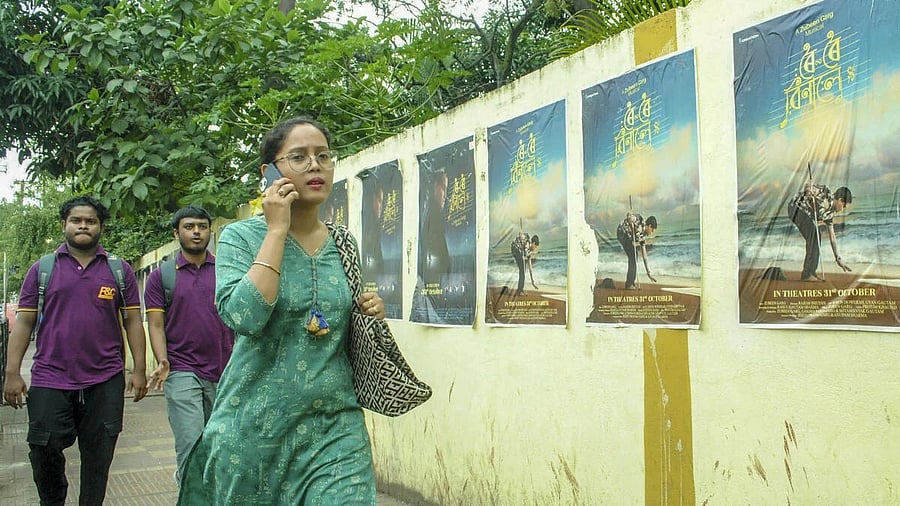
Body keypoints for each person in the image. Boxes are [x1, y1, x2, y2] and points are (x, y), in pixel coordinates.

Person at [177, 116, 386, 504]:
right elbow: (244, 317)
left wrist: (369, 311)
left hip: (334, 426)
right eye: (299, 157)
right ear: (270, 170)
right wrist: (276, 230)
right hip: (255, 430)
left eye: (323, 156)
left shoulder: (343, 242)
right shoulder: (241, 237)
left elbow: (343, 321)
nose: (315, 166)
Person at [2, 195, 148, 506]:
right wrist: (12, 373)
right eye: (76, 220)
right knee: (43, 447)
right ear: (64, 225)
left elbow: (133, 321)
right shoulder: (43, 269)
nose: (83, 225)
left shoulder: (118, 270)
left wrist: (138, 369)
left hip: (105, 379)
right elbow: (25, 323)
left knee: (99, 458)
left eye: (90, 221)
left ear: (101, 227)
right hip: (50, 377)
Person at [143, 205, 234, 486]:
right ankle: (190, 490)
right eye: (189, 226)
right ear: (176, 233)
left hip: (226, 372)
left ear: (210, 231)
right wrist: (162, 360)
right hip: (182, 370)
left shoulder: (227, 270)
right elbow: (156, 325)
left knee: (221, 448)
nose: (197, 232)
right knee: (191, 445)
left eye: (202, 227)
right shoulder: (162, 277)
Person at [787, 183, 852, 281]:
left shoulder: (830, 214)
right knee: (813, 236)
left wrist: (838, 258)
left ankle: (811, 272)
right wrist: (809, 191)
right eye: (844, 206)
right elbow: (808, 185)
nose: (843, 209)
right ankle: (807, 274)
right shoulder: (825, 192)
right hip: (795, 208)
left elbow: (832, 237)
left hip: (804, 214)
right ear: (840, 201)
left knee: (817, 237)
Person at [420, 170, 450, 285]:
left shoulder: (432, 216)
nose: (445, 196)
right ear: (435, 186)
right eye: (443, 188)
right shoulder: (432, 217)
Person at [617, 212, 658, 290]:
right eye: (652, 231)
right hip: (622, 232)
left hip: (627, 237)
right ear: (649, 226)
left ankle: (631, 282)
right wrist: (630, 218)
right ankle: (629, 284)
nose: (651, 233)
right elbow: (629, 215)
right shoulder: (640, 220)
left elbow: (644, 255)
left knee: (634, 255)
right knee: (633, 256)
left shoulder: (642, 236)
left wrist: (648, 273)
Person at [511, 230, 529, 296]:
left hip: (520, 256)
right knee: (522, 272)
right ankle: (520, 290)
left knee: (522, 272)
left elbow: (525, 251)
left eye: (523, 235)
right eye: (521, 235)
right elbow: (516, 248)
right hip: (518, 256)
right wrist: (522, 247)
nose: (523, 236)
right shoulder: (516, 241)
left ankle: (521, 289)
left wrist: (525, 250)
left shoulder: (524, 241)